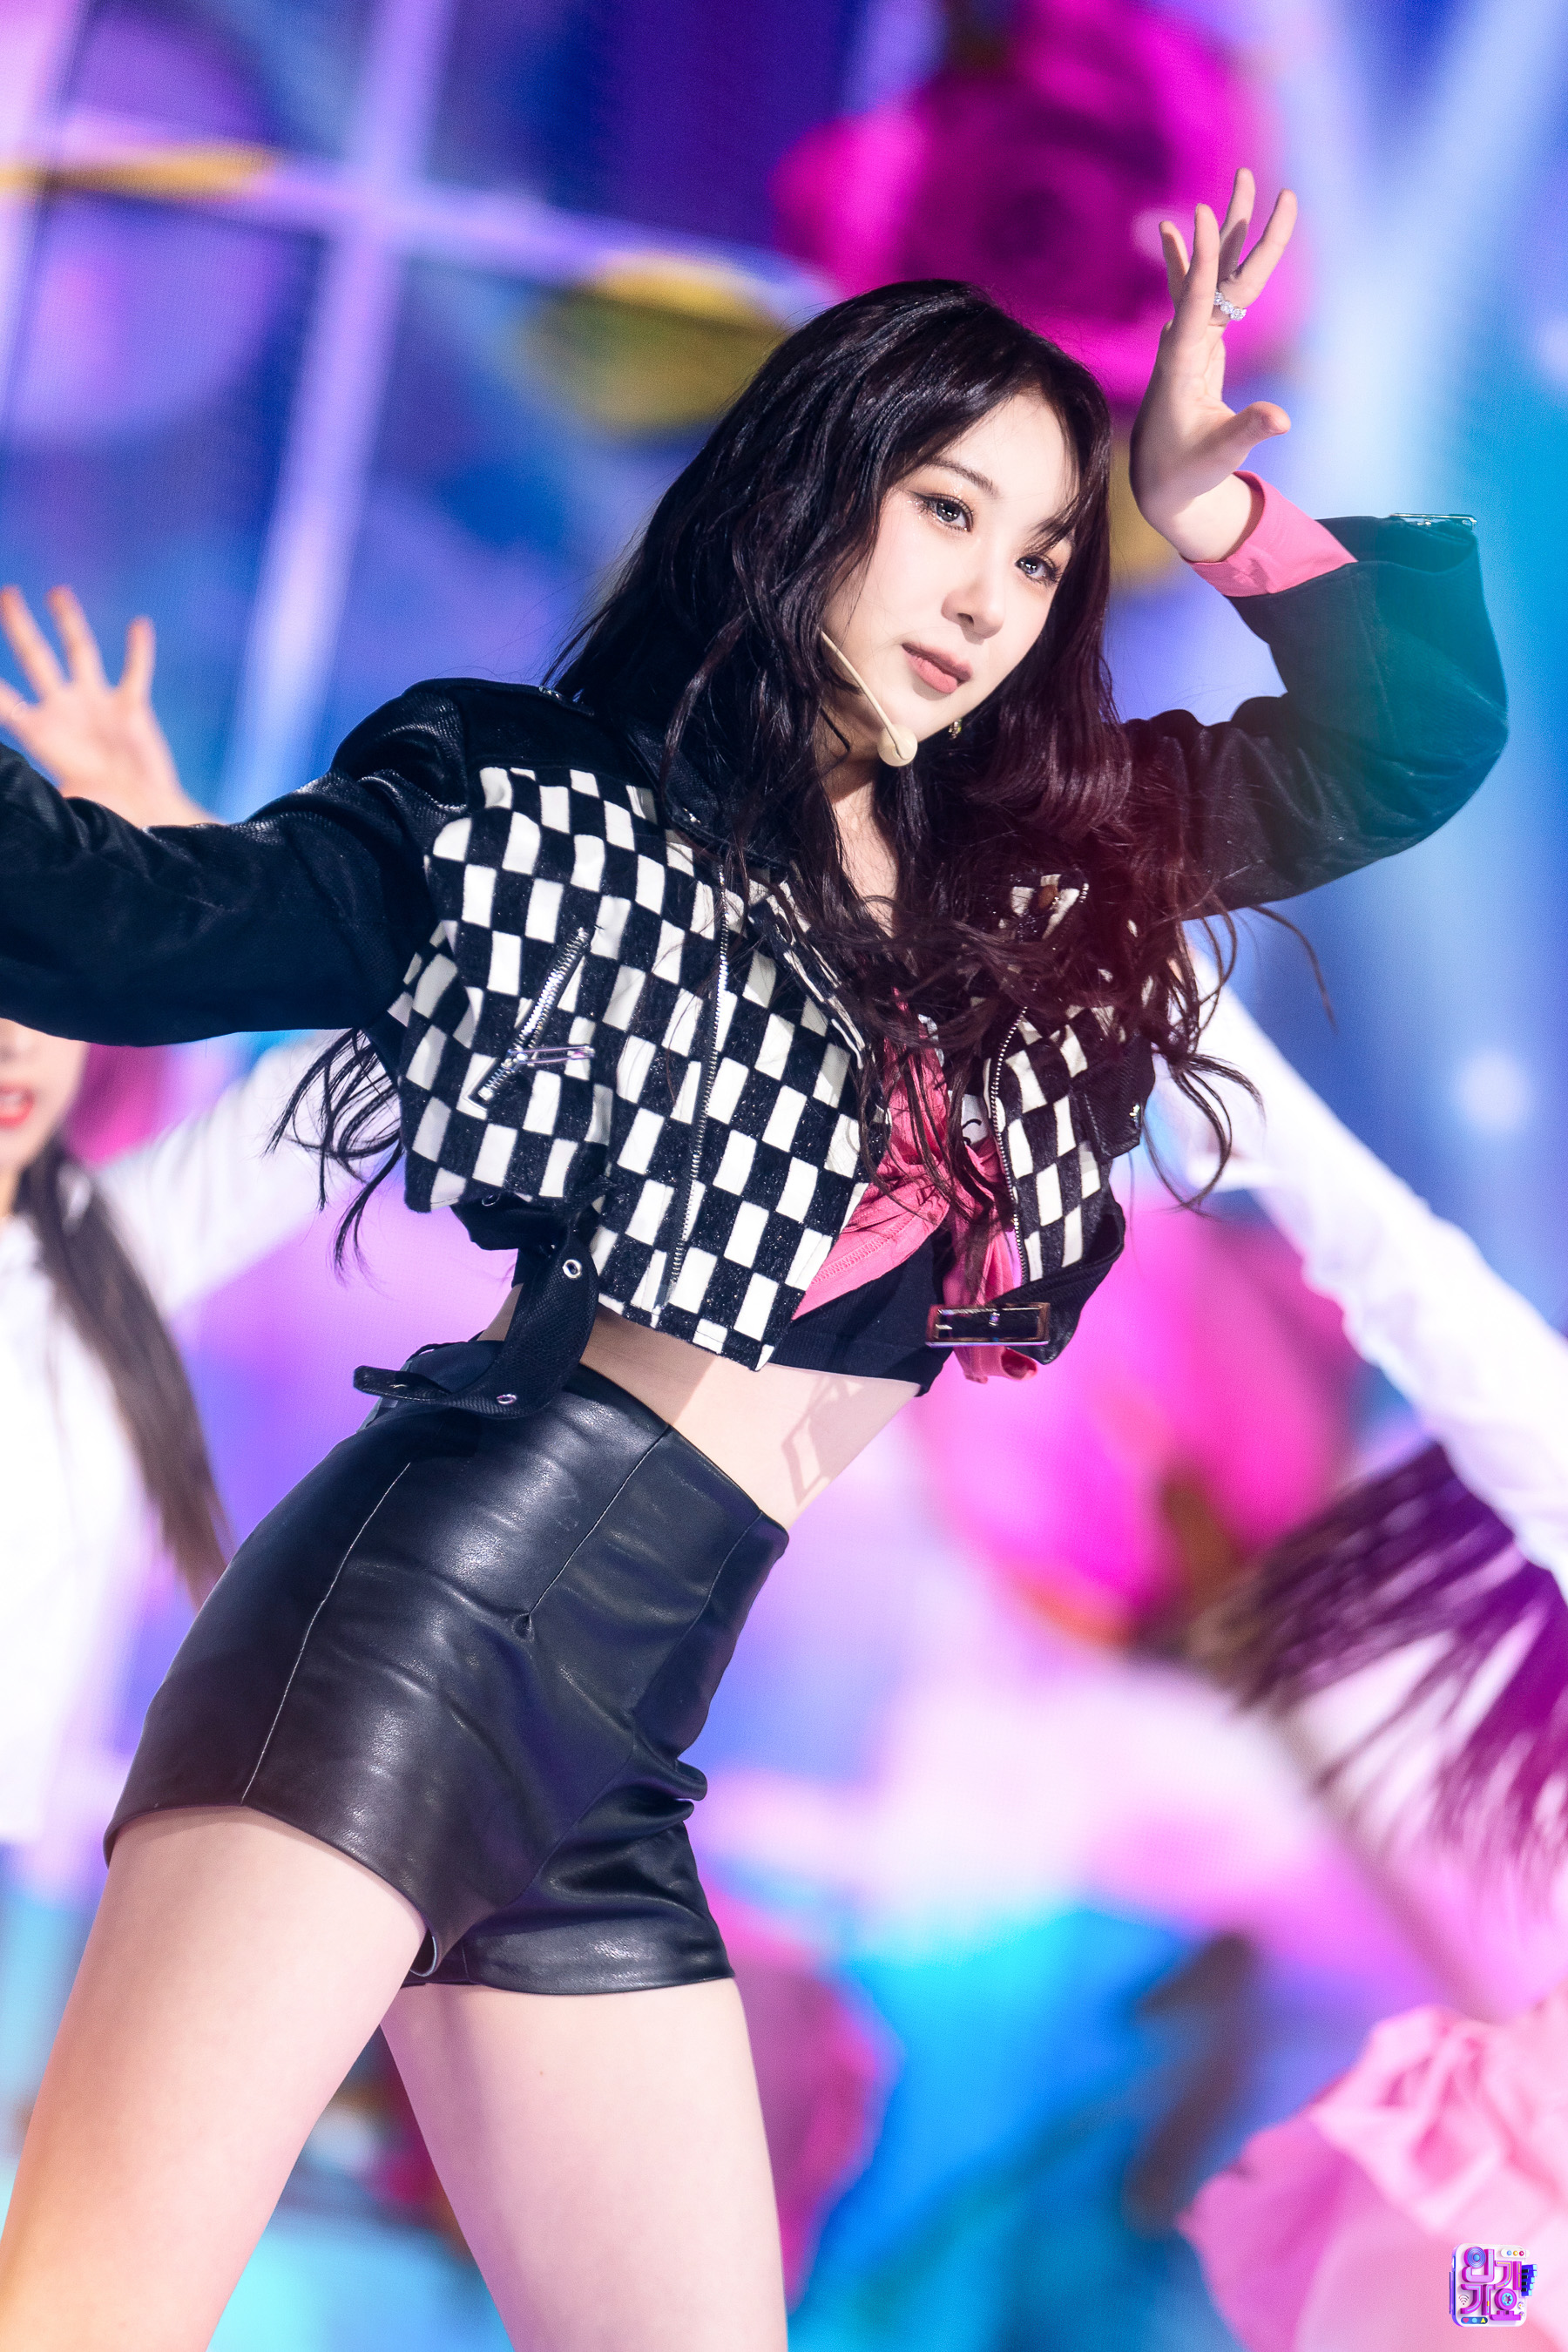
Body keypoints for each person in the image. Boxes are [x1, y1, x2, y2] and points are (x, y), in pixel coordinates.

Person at [0, 173, 1507, 2351]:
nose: (988, 595)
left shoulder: (1029, 875)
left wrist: (1209, 507)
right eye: (944, 511)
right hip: (418, 1633)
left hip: (621, 1742)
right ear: (813, 498)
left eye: (1042, 551)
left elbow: (1418, 729)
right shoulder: (545, 818)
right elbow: (125, 933)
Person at [1142, 982, 1568, 2352]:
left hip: (1519, 2211)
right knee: (1481, 2313)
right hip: (1519, 2223)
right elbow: (1411, 1282)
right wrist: (1177, 1007)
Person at [0, 585, 338, 1894]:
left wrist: (192, 853)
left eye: (46, 980)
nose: (18, 1039)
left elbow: (374, 1073)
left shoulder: (112, 1251)